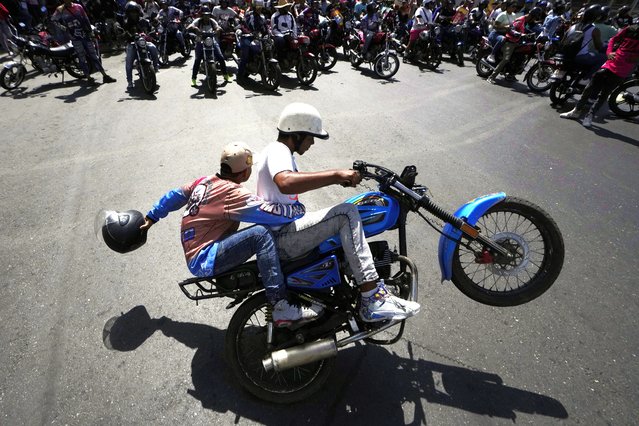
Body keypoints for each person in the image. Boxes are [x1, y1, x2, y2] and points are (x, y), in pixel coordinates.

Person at [256, 103, 421, 323]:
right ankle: (371, 297)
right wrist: (335, 175)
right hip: (283, 238)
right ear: (296, 134)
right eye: (310, 137)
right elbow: (285, 182)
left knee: (341, 216)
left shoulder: (277, 152)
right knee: (346, 214)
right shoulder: (279, 150)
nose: (312, 142)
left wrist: (337, 179)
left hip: (284, 231)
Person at [141, 142, 322, 327]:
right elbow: (270, 213)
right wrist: (298, 210)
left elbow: (175, 195)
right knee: (260, 233)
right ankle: (280, 304)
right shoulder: (232, 193)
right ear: (244, 173)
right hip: (206, 257)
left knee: (259, 232)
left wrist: (152, 216)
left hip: (196, 253)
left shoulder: (203, 182)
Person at [560, 23, 639, 128]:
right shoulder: (631, 29)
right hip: (611, 62)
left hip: (624, 69)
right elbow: (613, 39)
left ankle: (590, 115)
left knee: (604, 93)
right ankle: (576, 111)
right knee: (590, 86)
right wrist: (609, 52)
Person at [52, 0, 116, 84]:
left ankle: (105, 76)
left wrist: (90, 31)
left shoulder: (78, 6)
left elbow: (86, 18)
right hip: (75, 38)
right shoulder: (60, 10)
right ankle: (88, 78)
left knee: (94, 56)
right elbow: (53, 20)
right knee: (82, 58)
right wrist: (64, 28)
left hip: (85, 35)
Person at [487, 5, 542, 84]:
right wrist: (518, 34)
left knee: (521, 56)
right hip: (510, 41)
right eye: (535, 18)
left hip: (518, 42)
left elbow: (527, 29)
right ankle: (491, 77)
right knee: (506, 59)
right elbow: (511, 29)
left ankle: (511, 74)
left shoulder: (527, 21)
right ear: (532, 16)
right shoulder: (520, 20)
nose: (534, 20)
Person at [187, 6, 232, 86]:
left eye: (207, 15)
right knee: (197, 60)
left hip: (211, 41)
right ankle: (193, 78)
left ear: (209, 15)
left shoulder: (212, 21)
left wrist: (218, 29)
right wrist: (194, 28)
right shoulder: (198, 21)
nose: (206, 16)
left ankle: (225, 75)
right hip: (200, 41)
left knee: (221, 57)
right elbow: (190, 26)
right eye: (204, 15)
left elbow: (218, 27)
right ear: (202, 15)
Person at [122, 1, 159, 90]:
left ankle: (156, 66)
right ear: (128, 13)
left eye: (135, 12)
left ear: (138, 12)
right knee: (129, 62)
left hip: (144, 42)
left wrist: (154, 29)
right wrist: (125, 35)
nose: (133, 14)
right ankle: (130, 81)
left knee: (153, 48)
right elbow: (123, 34)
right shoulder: (126, 24)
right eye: (131, 12)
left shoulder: (143, 21)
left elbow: (151, 28)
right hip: (132, 44)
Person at [237, 0, 268, 81]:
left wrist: (268, 33)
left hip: (258, 38)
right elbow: (244, 25)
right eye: (258, 7)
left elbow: (265, 27)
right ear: (254, 7)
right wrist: (249, 32)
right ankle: (239, 76)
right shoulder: (249, 15)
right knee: (245, 55)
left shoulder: (262, 16)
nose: (259, 9)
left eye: (261, 8)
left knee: (268, 48)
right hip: (247, 37)